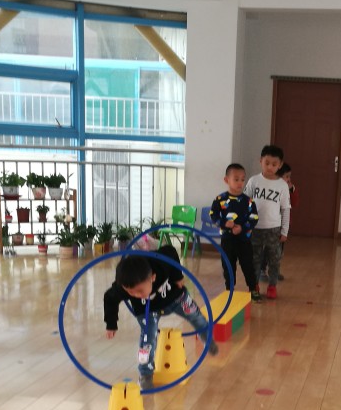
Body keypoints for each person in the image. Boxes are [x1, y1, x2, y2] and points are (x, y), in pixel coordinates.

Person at [104, 244, 217, 389]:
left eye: (140, 290)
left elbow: (170, 251)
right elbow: (109, 298)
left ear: (153, 277)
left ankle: (207, 338)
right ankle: (145, 375)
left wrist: (177, 276)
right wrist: (111, 324)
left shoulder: (159, 263)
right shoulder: (122, 286)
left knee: (196, 316)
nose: (136, 295)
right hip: (147, 310)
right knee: (147, 340)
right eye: (131, 292)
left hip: (176, 298)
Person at [245, 144, 291, 299]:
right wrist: (245, 224)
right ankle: (254, 285)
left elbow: (285, 209)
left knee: (274, 259)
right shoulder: (253, 181)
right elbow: (245, 203)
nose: (270, 167)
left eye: (274, 164)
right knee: (254, 259)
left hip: (273, 229)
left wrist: (284, 231)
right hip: (255, 228)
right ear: (260, 161)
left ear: (280, 165)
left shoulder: (282, 185)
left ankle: (272, 285)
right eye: (267, 163)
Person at [210, 163, 260, 301]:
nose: (240, 183)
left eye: (242, 179)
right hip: (227, 240)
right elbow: (213, 215)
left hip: (244, 240)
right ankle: (229, 289)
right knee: (228, 265)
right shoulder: (220, 200)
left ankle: (253, 289)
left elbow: (254, 218)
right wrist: (225, 223)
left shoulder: (248, 201)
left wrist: (242, 228)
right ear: (227, 180)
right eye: (236, 179)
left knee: (248, 265)